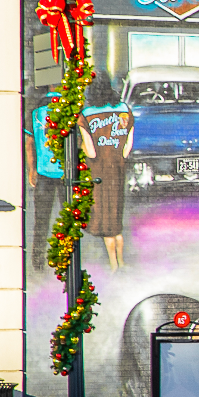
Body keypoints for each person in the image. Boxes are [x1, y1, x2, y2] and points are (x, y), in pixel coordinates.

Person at [79, 76, 135, 271]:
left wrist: (81, 149)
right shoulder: (124, 110)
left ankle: (113, 264)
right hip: (117, 170)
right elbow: (127, 148)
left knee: (105, 218)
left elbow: (91, 152)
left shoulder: (86, 115)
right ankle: (121, 261)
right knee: (116, 218)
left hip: (99, 172)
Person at [23, 86, 64, 273]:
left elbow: (29, 142)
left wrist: (32, 169)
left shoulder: (37, 108)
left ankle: (37, 260)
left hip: (43, 171)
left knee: (41, 220)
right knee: (68, 217)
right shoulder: (68, 107)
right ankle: (65, 256)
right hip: (65, 171)